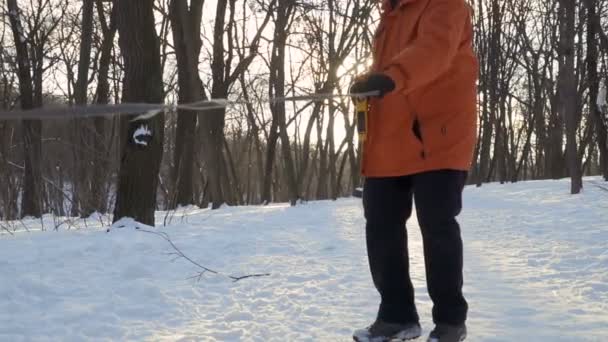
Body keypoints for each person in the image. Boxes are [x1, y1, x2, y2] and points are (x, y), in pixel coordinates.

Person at [349, 0, 478, 341]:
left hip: (438, 135)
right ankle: (396, 316)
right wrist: (370, 82)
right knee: (380, 225)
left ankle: (451, 322)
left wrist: (392, 77)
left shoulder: (447, 5)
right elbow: (389, 69)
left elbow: (433, 50)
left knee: (437, 225)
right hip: (388, 139)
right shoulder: (390, 16)